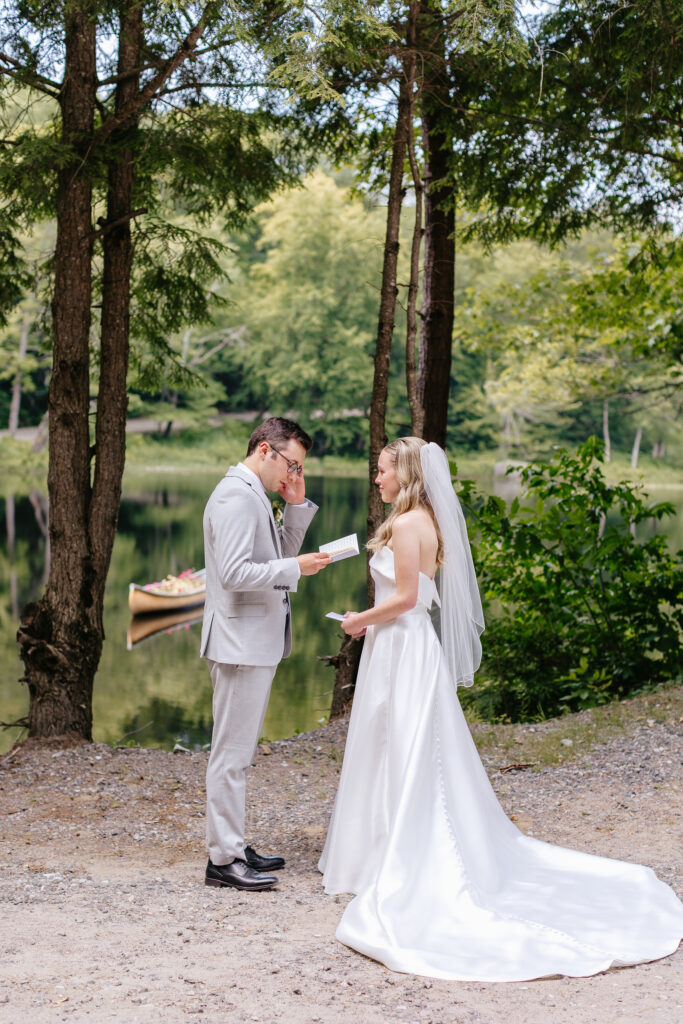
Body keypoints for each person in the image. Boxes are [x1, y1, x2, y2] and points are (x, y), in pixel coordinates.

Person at [319, 436, 683, 981]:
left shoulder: (406, 525)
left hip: (401, 641)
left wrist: (357, 621)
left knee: (404, 741)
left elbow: (406, 599)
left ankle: (394, 853)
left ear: (407, 473)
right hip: (406, 644)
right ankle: (383, 845)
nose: (377, 478)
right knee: (402, 741)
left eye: (383, 470)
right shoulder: (425, 520)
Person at [201, 417, 331, 891]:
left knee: (240, 752)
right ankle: (223, 859)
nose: (293, 474)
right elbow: (236, 572)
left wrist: (295, 509)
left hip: (254, 641)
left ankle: (233, 844)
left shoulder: (256, 492)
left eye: (299, 467)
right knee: (230, 755)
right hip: (239, 643)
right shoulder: (237, 495)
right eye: (291, 464)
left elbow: (276, 560)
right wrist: (294, 566)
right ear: (263, 450)